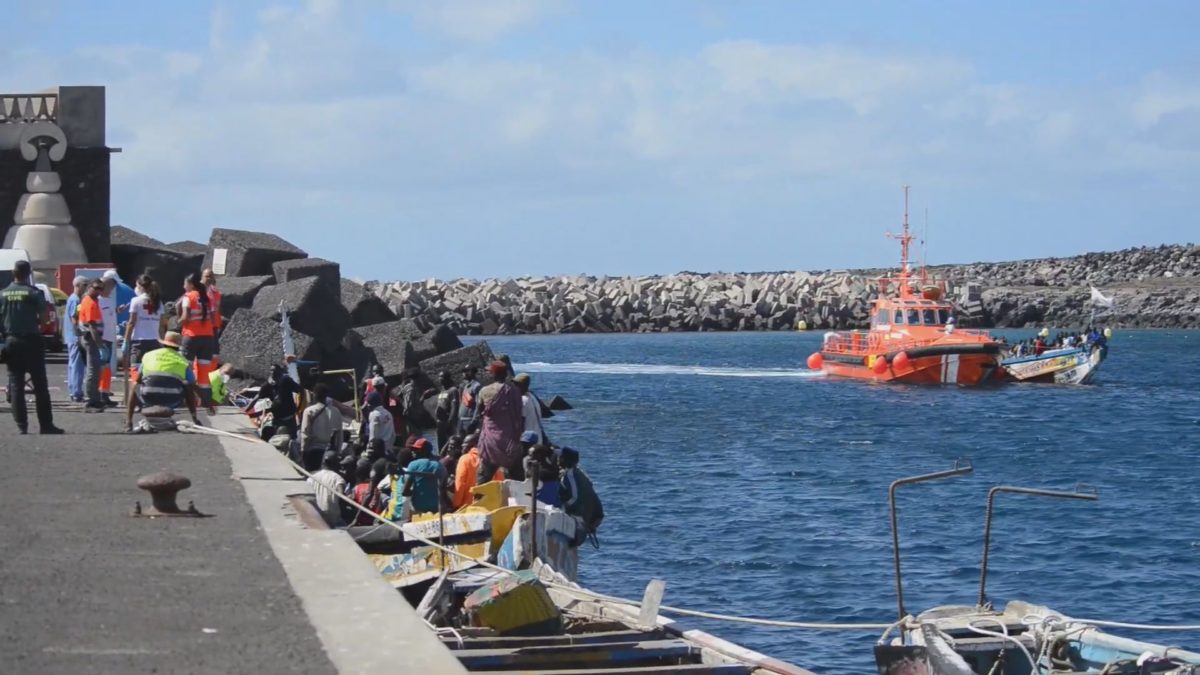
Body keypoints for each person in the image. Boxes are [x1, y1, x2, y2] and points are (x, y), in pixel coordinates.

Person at [0, 260, 62, 434]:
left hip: (11, 340)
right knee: (40, 385)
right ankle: (46, 424)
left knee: (16, 385)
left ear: (14, 273)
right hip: (32, 341)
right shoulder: (33, 293)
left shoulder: (3, 294)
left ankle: (21, 426)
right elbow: (44, 319)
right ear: (28, 274)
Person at [124, 330, 201, 432]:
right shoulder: (183, 361)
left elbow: (138, 379)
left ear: (163, 343)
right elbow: (193, 384)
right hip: (172, 399)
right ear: (178, 346)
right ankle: (195, 419)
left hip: (148, 397)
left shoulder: (148, 355)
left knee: (134, 384)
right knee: (187, 385)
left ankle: (128, 422)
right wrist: (207, 402)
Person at [476, 360, 525, 483]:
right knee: (516, 479)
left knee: (483, 477)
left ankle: (479, 499)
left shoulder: (485, 391)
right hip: (511, 441)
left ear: (494, 374)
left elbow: (479, 412)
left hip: (490, 442)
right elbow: (520, 415)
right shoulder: (515, 391)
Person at [178, 271, 217, 412]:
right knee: (204, 372)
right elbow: (212, 318)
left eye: (185, 283)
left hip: (191, 336)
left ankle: (185, 399)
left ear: (190, 284)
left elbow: (185, 317)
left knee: (185, 369)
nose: (184, 286)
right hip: (207, 337)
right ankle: (205, 402)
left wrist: (176, 323)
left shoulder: (188, 297)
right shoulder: (207, 297)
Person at [124, 274, 166, 381]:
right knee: (152, 370)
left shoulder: (136, 301)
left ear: (140, 286)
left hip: (139, 341)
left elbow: (131, 323)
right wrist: (163, 342)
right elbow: (161, 326)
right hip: (155, 341)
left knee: (136, 371)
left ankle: (135, 395)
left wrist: (126, 340)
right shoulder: (159, 302)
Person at [558, 447, 603, 543]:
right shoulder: (580, 473)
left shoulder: (569, 475)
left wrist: (561, 506)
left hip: (580, 524)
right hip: (588, 521)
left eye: (561, 457)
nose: (558, 459)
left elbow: (574, 498)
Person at [300, 383, 344, 472]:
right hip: (331, 453)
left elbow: (305, 434)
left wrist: (303, 451)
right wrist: (337, 452)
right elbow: (340, 436)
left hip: (314, 452)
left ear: (315, 395)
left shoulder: (309, 411)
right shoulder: (336, 412)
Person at [77, 279, 107, 412]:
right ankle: (90, 401)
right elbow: (92, 326)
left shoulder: (93, 300)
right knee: (93, 370)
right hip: (91, 339)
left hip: (91, 338)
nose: (99, 291)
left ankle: (95, 398)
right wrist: (100, 345)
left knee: (95, 370)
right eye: (96, 288)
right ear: (89, 287)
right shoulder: (90, 302)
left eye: (101, 288)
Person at [453, 433, 500, 509]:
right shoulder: (492, 459)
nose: (462, 445)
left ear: (474, 444)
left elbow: (460, 483)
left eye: (465, 443)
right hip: (491, 506)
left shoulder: (464, 459)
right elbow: (500, 483)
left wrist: (456, 504)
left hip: (468, 507)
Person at [402, 438, 447, 516]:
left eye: (416, 450)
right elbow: (443, 489)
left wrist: (416, 492)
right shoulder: (440, 466)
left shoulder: (413, 465)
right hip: (437, 508)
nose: (413, 452)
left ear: (424, 451)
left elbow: (405, 492)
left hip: (418, 508)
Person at [63, 276, 88, 402]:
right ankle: (76, 392)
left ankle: (74, 390)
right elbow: (74, 318)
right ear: (77, 285)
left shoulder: (74, 299)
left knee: (73, 364)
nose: (86, 286)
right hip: (75, 337)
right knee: (77, 365)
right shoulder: (75, 300)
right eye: (84, 284)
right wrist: (79, 333)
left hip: (71, 337)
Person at [308, 450, 347, 528]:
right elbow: (341, 496)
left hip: (316, 515)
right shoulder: (337, 478)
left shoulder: (311, 477)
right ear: (336, 463)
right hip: (332, 519)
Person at [523, 441, 561, 507]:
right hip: (556, 503)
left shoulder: (539, 472)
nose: (529, 457)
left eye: (531, 455)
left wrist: (528, 468)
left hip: (542, 504)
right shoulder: (552, 468)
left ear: (539, 456)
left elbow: (530, 476)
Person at [512, 372, 545, 444]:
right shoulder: (532, 397)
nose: (514, 386)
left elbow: (521, 423)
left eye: (515, 384)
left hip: (528, 441)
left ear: (521, 385)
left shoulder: (523, 400)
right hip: (538, 438)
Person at [349, 461, 382, 526]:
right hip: (372, 521)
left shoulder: (356, 488)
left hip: (360, 521)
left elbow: (352, 501)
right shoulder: (376, 489)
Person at [365, 390, 396, 459]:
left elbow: (373, 436)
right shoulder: (388, 413)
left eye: (368, 403)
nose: (367, 405)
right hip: (388, 450)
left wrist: (369, 450)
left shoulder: (374, 414)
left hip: (378, 451)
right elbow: (393, 434)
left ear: (371, 403)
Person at [434, 370, 460, 449]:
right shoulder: (442, 391)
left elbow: (454, 407)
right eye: (439, 377)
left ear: (447, 378)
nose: (440, 379)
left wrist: (450, 422)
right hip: (440, 422)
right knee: (440, 444)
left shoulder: (453, 390)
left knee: (449, 444)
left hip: (448, 422)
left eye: (442, 377)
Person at [200, 268, 223, 361]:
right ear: (202, 277)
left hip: (213, 327)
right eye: (207, 276)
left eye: (211, 277)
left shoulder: (216, 292)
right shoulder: (196, 291)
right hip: (201, 325)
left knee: (214, 353)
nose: (209, 278)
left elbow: (216, 309)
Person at [457, 365, 483, 434]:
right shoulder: (466, 386)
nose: (463, 373)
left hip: (469, 420)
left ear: (470, 372)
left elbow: (478, 404)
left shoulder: (477, 386)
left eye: (465, 371)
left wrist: (474, 421)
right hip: (462, 420)